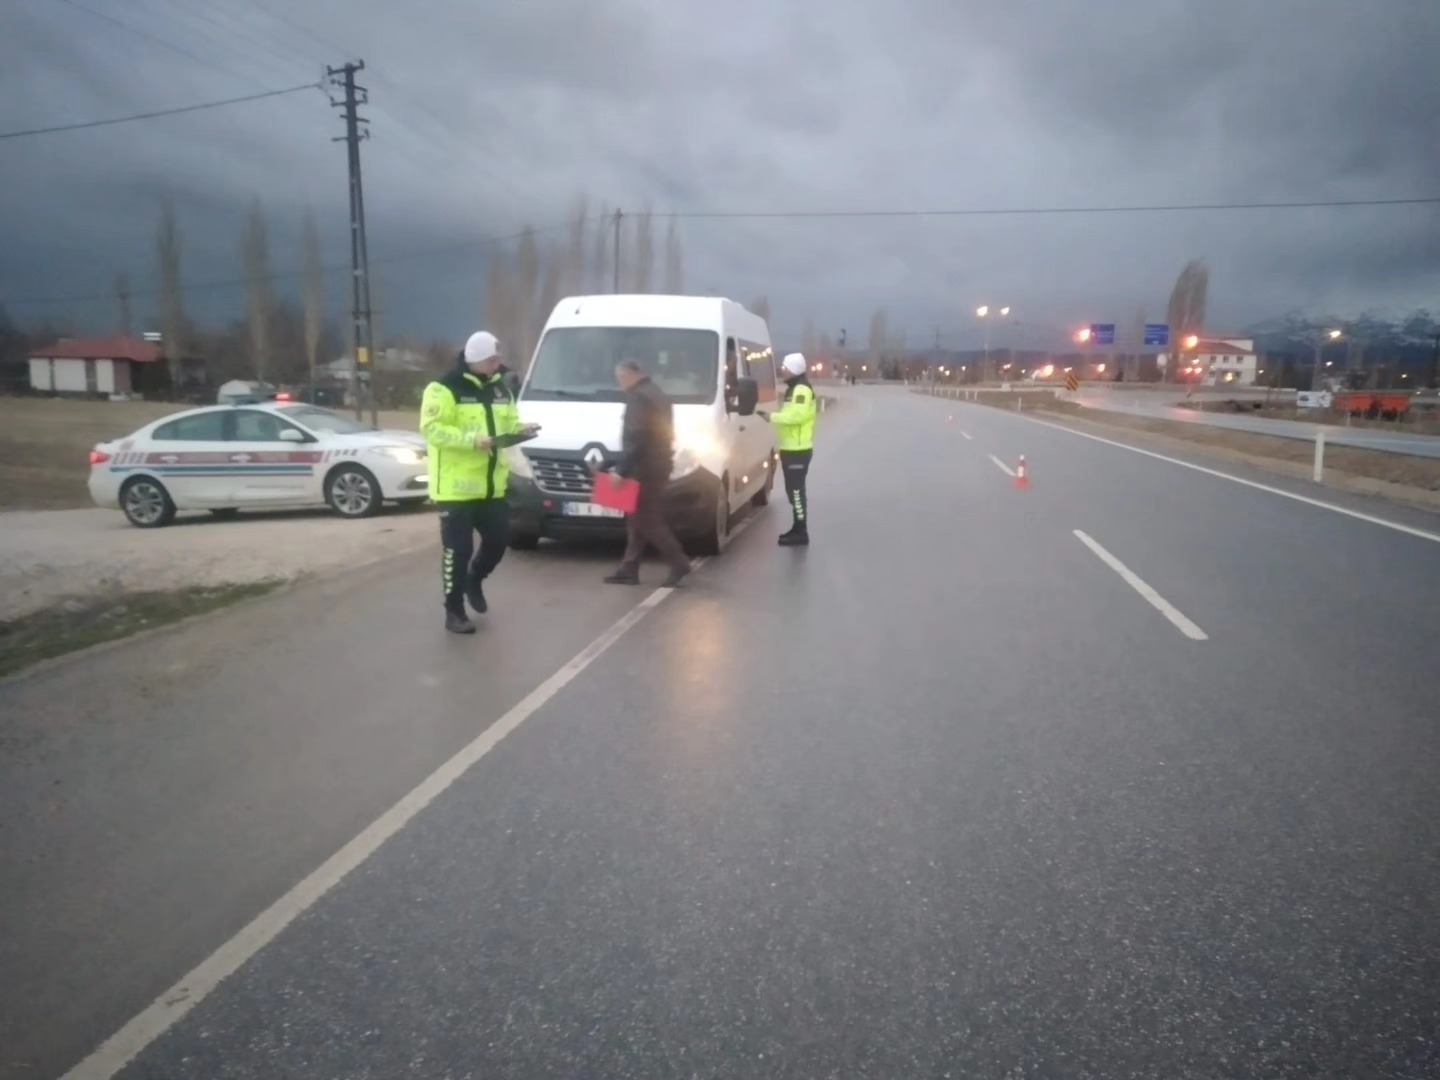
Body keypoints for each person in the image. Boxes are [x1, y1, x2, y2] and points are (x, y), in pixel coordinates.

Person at [420, 330, 538, 634]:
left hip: (490, 487)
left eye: (498, 359)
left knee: (499, 541)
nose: (497, 364)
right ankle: (454, 610)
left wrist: (522, 429)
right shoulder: (444, 389)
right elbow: (432, 430)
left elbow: (508, 423)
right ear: (476, 359)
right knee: (457, 551)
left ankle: (475, 578)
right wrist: (473, 441)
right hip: (456, 489)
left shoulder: (501, 389)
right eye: (492, 360)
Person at [601, 359, 691, 588]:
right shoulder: (656, 392)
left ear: (629, 375)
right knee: (637, 517)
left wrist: (621, 470)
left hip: (645, 467)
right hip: (658, 463)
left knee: (647, 518)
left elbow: (637, 436)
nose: (620, 383)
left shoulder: (638, 397)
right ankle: (628, 568)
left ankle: (679, 562)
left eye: (620, 378)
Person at [769, 352, 818, 546]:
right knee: (792, 491)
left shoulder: (801, 390)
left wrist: (771, 417)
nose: (783, 370)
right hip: (790, 449)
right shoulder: (793, 389)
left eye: (786, 367)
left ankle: (801, 531)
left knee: (796, 492)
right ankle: (797, 527)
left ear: (795, 369)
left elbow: (796, 417)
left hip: (798, 450)